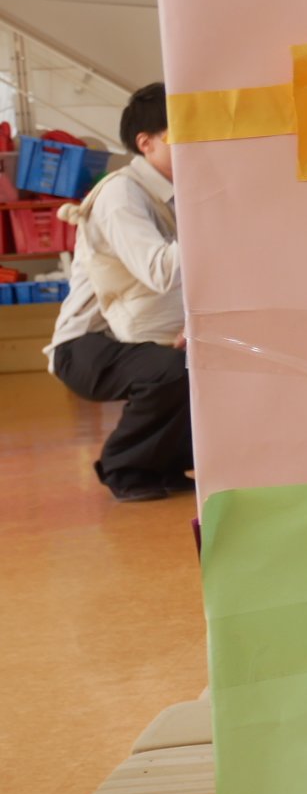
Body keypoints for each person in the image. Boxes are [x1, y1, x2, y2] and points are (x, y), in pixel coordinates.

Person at [45, 84, 192, 502]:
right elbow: (160, 271)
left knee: (209, 362)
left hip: (132, 333)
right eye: (182, 133)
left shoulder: (174, 195)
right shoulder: (121, 194)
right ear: (147, 143)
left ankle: (162, 463)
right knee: (171, 370)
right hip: (87, 345)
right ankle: (123, 465)